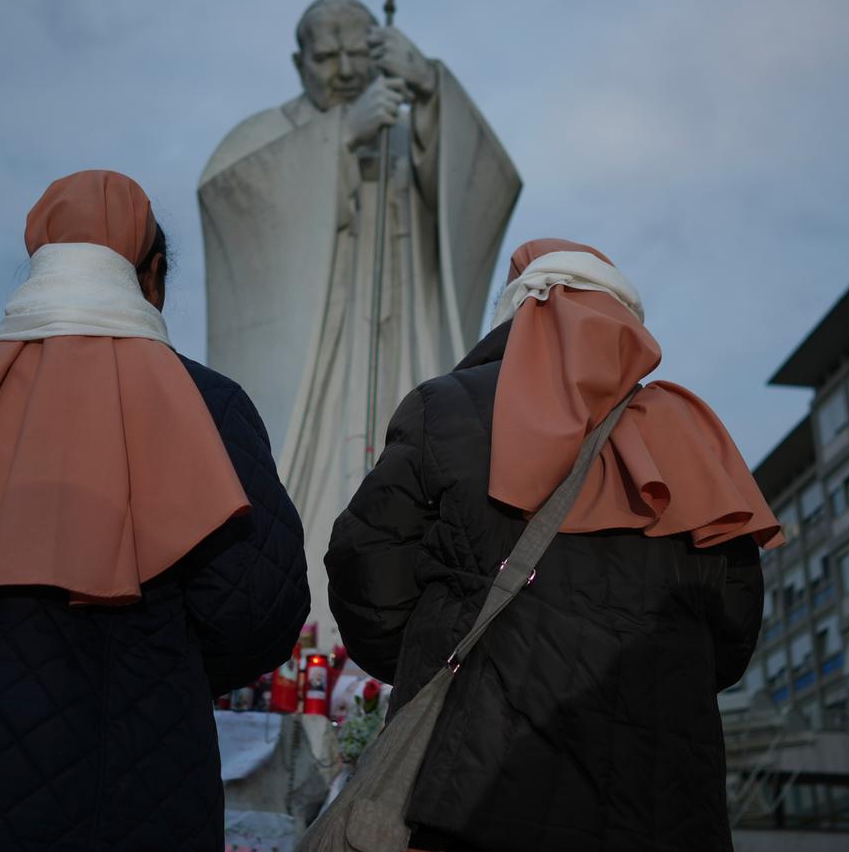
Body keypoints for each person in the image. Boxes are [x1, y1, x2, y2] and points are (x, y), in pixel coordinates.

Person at [0, 170, 308, 851]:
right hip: (115, 784)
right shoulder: (203, 403)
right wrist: (149, 659)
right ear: (151, 276)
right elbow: (256, 609)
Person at [326, 238, 782, 852]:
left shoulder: (450, 406)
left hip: (474, 790)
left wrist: (431, 654)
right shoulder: (695, 436)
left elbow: (367, 567)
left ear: (518, 308)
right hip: (663, 807)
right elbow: (732, 633)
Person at [198, 0, 519, 647]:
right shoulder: (264, 137)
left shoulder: (407, 116)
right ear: (298, 62)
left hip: (405, 344)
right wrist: (339, 141)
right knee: (303, 503)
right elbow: (230, 197)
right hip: (313, 364)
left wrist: (431, 87)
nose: (343, 69)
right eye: (326, 55)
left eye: (357, 52)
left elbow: (487, 183)